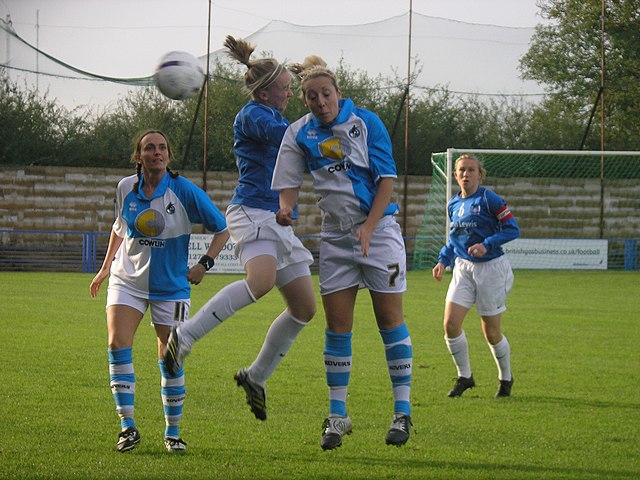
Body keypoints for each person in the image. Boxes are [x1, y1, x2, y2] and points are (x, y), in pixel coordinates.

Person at [163, 35, 316, 422]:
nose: (289, 95)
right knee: (261, 282)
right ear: (264, 93)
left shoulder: (274, 114)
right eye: (284, 89)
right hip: (251, 211)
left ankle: (256, 377)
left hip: (276, 219)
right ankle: (184, 336)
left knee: (303, 309)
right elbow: (293, 142)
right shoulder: (254, 116)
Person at [272, 56, 413, 450]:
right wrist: (286, 210)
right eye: (312, 97)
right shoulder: (298, 133)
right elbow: (288, 184)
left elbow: (386, 179)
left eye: (326, 94)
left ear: (339, 94)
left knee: (389, 320)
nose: (320, 102)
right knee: (337, 328)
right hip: (335, 238)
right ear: (305, 101)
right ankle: (337, 417)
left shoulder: (366, 122)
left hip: (380, 231)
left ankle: (402, 414)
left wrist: (368, 226)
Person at [89, 129, 229, 453]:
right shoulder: (126, 187)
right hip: (127, 281)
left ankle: (172, 432)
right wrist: (106, 266)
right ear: (139, 156)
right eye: (149, 148)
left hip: (171, 287)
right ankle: (127, 428)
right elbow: (119, 229)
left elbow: (222, 229)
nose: (157, 152)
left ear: (168, 155)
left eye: (162, 147)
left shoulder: (185, 191)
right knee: (116, 342)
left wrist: (204, 264)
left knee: (169, 357)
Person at [432, 153, 520, 398]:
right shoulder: (453, 204)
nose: (466, 174)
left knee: (491, 332)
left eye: (471, 170)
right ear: (455, 175)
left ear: (479, 175)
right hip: (462, 268)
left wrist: (487, 244)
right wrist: (442, 260)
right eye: (461, 170)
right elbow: (454, 239)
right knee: (450, 325)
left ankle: (505, 379)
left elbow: (513, 229)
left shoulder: (489, 198)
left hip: (491, 268)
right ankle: (465, 377)